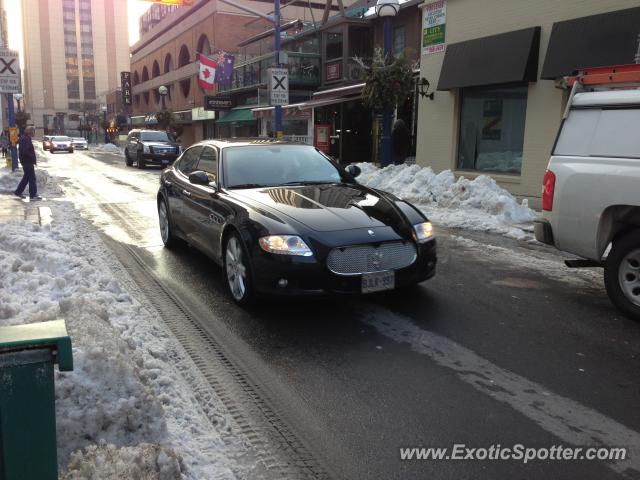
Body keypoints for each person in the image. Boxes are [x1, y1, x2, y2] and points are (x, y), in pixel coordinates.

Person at [14, 126, 40, 200]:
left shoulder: (24, 138)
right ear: (31, 132)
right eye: (34, 131)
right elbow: (25, 151)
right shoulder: (25, 139)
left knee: (26, 177)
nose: (34, 133)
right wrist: (32, 157)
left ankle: (18, 192)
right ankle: (33, 195)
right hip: (27, 161)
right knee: (32, 178)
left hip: (25, 161)